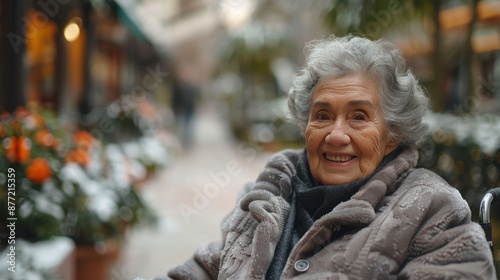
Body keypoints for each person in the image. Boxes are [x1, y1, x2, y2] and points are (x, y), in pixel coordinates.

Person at [158, 35, 496, 279]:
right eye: (322, 115)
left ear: (393, 135)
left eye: (359, 117)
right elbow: (210, 266)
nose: (335, 134)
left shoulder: (431, 209)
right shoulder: (268, 193)